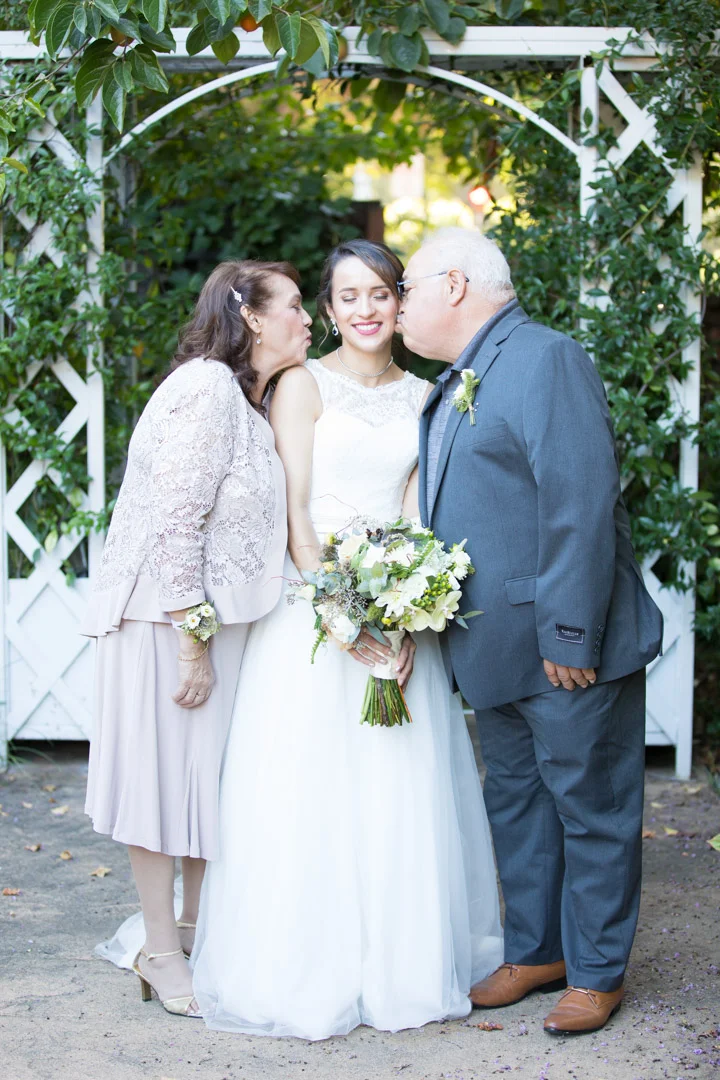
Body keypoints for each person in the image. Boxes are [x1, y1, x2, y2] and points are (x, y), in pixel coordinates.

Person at [190, 239, 503, 1040]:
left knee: (398, 799)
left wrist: (407, 610)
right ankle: (307, 970)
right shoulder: (302, 384)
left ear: (401, 302)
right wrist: (343, 616)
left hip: (397, 624)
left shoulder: (429, 395)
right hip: (314, 616)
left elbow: (419, 515)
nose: (366, 309)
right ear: (329, 310)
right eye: (348, 296)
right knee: (310, 798)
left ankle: (398, 969)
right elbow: (293, 513)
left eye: (380, 294)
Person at [399, 227, 663, 1037]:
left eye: (406, 287)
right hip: (492, 646)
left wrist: (572, 634)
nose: (398, 304)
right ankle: (537, 950)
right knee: (516, 802)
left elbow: (580, 503)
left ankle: (595, 972)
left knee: (592, 805)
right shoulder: (461, 376)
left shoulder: (546, 358)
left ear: (454, 284)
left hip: (564, 648)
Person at [82, 259, 312, 1017]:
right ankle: (159, 950)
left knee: (206, 790)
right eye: (295, 306)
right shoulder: (206, 388)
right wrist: (192, 639)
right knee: (161, 789)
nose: (308, 319)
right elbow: (176, 522)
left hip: (214, 625)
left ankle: (192, 932)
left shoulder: (247, 400)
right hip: (164, 620)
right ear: (252, 317)